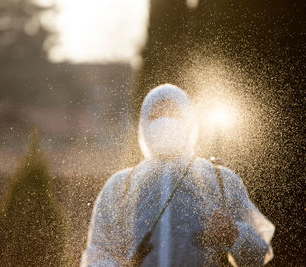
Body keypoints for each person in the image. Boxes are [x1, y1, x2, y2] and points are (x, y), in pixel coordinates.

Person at [81, 84, 275, 266]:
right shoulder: (120, 186)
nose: (165, 120)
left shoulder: (222, 181)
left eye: (173, 113)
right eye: (156, 115)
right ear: (143, 123)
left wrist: (234, 235)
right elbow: (98, 254)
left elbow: (258, 255)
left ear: (190, 122)